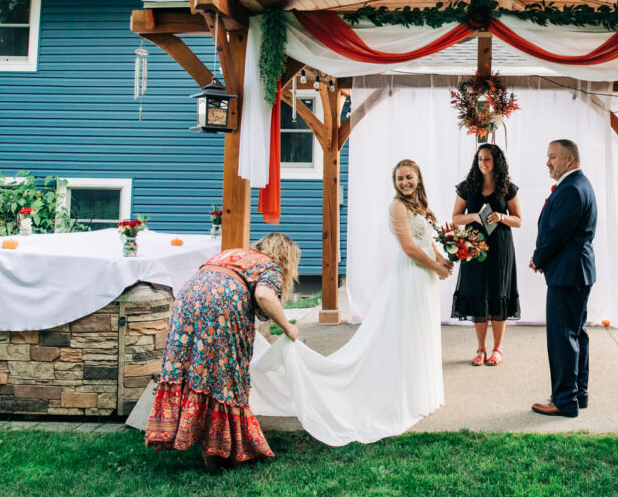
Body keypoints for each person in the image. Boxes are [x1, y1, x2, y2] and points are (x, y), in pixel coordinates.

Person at [249, 159, 453, 446]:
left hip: (425, 276)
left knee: (421, 333)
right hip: (411, 274)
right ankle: (403, 394)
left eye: (409, 177)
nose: (404, 183)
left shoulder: (420, 204)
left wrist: (441, 257)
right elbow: (408, 248)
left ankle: (422, 391)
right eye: (399, 179)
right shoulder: (397, 206)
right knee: (408, 333)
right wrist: (435, 267)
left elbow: (425, 239)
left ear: (418, 178)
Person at [145, 232, 301, 469]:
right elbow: (263, 295)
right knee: (223, 376)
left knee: (191, 370)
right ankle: (217, 452)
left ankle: (188, 436)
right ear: (285, 257)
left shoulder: (233, 254)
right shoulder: (268, 266)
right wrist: (288, 327)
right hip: (221, 309)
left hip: (187, 302)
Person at [529, 139, 597, 418]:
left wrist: (539, 258)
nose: (548, 162)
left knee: (562, 338)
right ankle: (577, 394)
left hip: (568, 274)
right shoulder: (579, 184)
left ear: (569, 160)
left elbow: (556, 232)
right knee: (575, 334)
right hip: (575, 272)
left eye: (553, 157)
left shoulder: (571, 189)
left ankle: (564, 401)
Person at [450, 144, 522, 366]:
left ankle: (497, 349)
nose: (483, 163)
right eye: (480, 159)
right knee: (478, 294)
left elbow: (518, 220)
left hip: (500, 249)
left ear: (496, 161)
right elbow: (455, 218)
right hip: (474, 248)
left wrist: (501, 216)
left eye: (488, 159)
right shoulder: (466, 187)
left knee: (499, 295)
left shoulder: (507, 188)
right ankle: (480, 349)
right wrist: (474, 217)